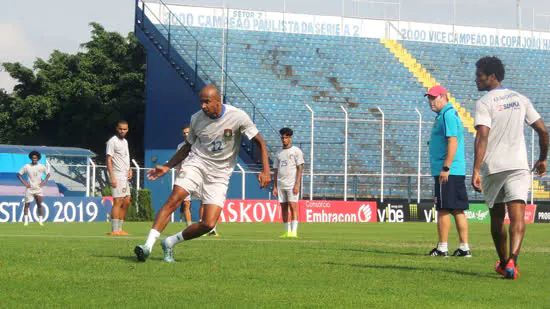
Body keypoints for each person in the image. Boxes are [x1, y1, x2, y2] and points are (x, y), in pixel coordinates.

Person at [134, 84, 271, 262]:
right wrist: (167, 166)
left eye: (207, 102)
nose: (203, 106)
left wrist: (266, 170)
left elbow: (259, 142)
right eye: (201, 102)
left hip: (220, 174)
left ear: (218, 101)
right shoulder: (197, 119)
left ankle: (170, 242)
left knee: (208, 224)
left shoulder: (238, 117)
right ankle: (147, 246)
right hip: (196, 164)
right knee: (174, 199)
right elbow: (187, 147)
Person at [472, 56, 548, 279]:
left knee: (496, 219)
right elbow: (543, 131)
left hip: (494, 167)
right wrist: (542, 158)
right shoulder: (521, 99)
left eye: (479, 75)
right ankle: (513, 262)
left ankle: (504, 262)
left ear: (492, 77)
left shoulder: (485, 102)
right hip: (518, 165)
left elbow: (482, 137)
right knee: (517, 217)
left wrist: (476, 170)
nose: (476, 80)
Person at [424, 85, 471, 258]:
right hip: (454, 170)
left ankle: (442, 248)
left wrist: (445, 167)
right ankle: (464, 248)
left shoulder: (447, 115)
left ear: (444, 97)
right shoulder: (446, 115)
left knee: (443, 209)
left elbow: (453, 141)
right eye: (429, 98)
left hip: (448, 171)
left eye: (434, 97)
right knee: (457, 209)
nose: (431, 101)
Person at [177, 125, 219, 236]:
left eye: (188, 132)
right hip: (185, 177)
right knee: (186, 204)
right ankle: (188, 228)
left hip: (199, 176)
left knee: (204, 202)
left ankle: (204, 227)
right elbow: (179, 163)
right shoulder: (180, 146)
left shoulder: (200, 145)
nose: (186, 134)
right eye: (184, 133)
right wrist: (178, 175)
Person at [273, 127, 304, 238]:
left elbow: (300, 168)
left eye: (286, 138)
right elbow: (276, 170)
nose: (284, 140)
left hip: (291, 184)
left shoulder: (296, 151)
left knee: (293, 206)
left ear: (290, 138)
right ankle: (287, 231)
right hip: (281, 184)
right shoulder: (279, 153)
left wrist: (297, 184)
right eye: (282, 138)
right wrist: (275, 186)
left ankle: (294, 232)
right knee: (283, 207)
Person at [106, 120, 133, 236]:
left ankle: (120, 228)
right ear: (117, 129)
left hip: (125, 175)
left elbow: (126, 157)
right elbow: (108, 159)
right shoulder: (112, 141)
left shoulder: (125, 142)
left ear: (127, 130)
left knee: (126, 201)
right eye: (120, 129)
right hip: (117, 175)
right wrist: (112, 176)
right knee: (118, 201)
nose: (122, 131)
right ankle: (114, 230)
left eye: (125, 129)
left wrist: (130, 168)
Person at [17, 151, 50, 226]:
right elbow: (18, 174)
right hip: (30, 189)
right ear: (31, 158)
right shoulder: (27, 166)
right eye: (33, 158)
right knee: (27, 204)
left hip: (38, 188)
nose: (34, 159)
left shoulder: (41, 166)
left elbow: (48, 174)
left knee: (39, 204)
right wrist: (25, 183)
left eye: (35, 158)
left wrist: (44, 182)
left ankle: (40, 221)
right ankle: (25, 221)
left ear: (38, 158)